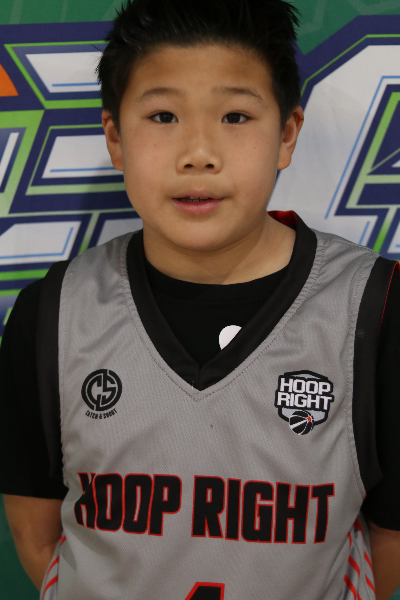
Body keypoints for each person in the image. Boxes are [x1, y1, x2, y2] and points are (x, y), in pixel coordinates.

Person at [1, 0, 400, 598]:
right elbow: (36, 536)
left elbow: (389, 542)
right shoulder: (52, 315)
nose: (198, 153)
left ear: (287, 134)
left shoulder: (376, 311)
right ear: (115, 137)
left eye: (235, 116)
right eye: (163, 115)